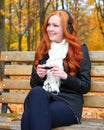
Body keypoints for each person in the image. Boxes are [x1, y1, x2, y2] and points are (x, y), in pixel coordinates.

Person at [21, 9, 91, 130]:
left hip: (68, 102)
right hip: (43, 98)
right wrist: (39, 76)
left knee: (28, 117)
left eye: (55, 26)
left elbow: (85, 86)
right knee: (37, 91)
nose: (50, 29)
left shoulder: (79, 50)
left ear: (66, 29)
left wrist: (65, 76)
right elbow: (33, 84)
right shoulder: (42, 50)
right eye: (48, 24)